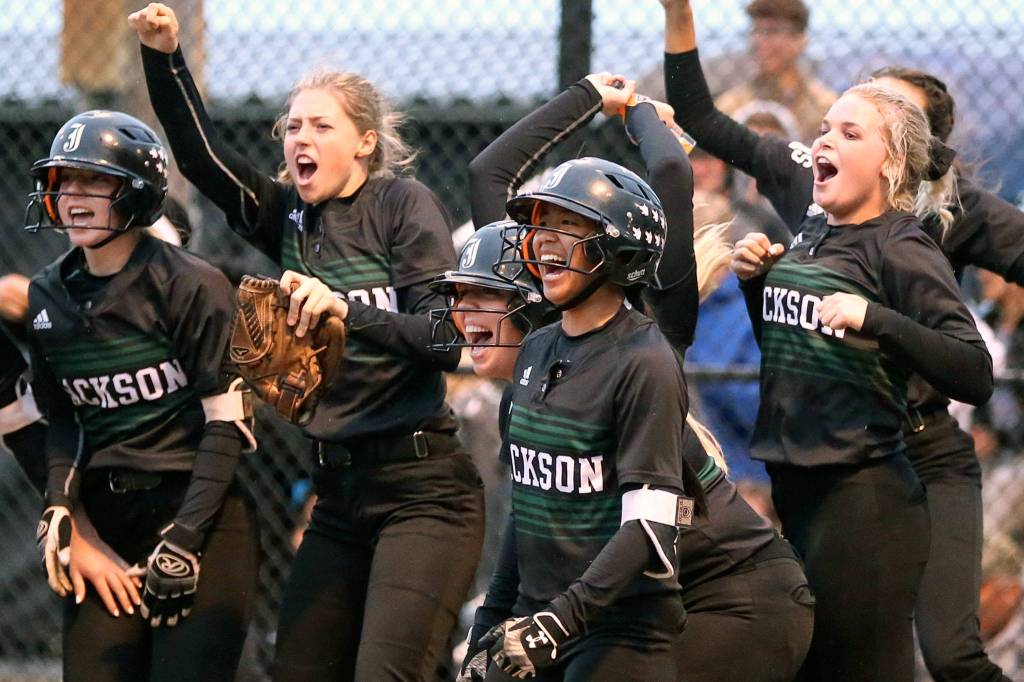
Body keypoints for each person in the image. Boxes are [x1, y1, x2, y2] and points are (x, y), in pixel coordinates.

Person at [129, 4, 485, 680]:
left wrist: (345, 311)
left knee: (387, 671)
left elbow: (445, 339)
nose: (301, 137)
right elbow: (201, 157)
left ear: (365, 143)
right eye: (292, 126)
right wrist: (163, 56)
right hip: (338, 491)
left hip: (423, 489)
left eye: (322, 125)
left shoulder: (402, 206)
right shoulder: (290, 215)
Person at [664, 3, 1021, 676]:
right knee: (825, 648)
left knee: (947, 654)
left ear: (908, 150)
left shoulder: (939, 220)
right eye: (834, 122)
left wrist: (877, 317)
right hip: (825, 452)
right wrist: (679, 15)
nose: (828, 136)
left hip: (915, 448)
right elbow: (702, 116)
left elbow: (966, 362)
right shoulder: (816, 195)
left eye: (865, 121)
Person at [460, 74, 813, 682]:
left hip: (723, 590)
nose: (469, 315)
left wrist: (641, 112)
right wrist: (588, 95)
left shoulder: (643, 343)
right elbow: (527, 534)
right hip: (618, 597)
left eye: (483, 296)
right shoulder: (547, 346)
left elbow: (668, 180)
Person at [24, 109, 258, 681]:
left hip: (199, 511)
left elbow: (226, 423)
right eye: (65, 180)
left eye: (95, 181)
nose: (73, 196)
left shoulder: (189, 284)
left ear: (136, 192)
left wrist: (186, 537)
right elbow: (64, 421)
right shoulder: (47, 293)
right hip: (107, 516)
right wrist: (60, 501)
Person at [715, 0, 836, 144]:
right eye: (756, 31)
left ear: (800, 40)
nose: (759, 40)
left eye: (772, 31)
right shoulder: (731, 105)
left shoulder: (825, 108)